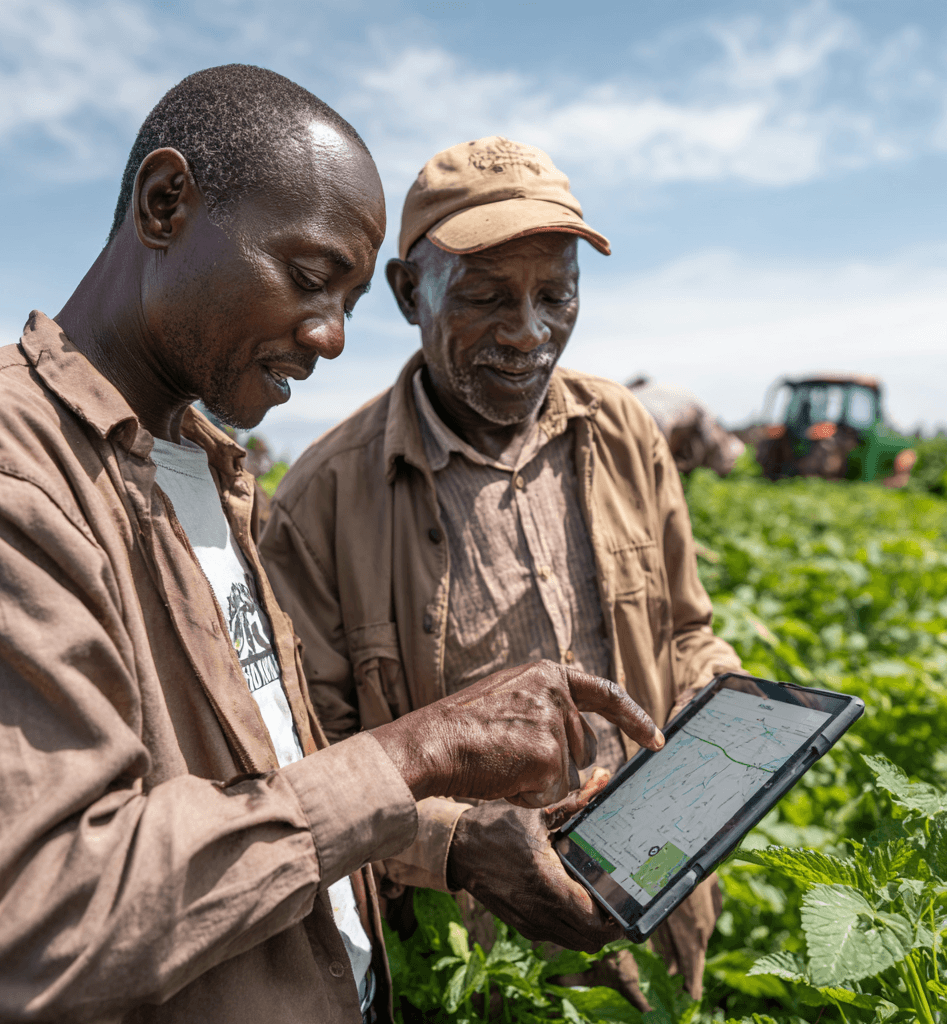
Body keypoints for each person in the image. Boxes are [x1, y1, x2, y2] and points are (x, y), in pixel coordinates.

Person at [0, 73, 666, 1024]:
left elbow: (273, 790)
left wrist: (451, 840)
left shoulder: (205, 469)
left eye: (348, 299)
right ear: (165, 204)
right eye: (311, 279)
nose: (331, 336)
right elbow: (39, 925)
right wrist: (424, 748)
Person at [260, 136, 744, 1006]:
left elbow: (684, 629)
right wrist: (456, 841)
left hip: (657, 913)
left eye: (556, 295)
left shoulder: (625, 432)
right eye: (485, 297)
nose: (528, 332)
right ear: (409, 292)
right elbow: (314, 768)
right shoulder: (322, 500)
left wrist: (723, 711)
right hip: (473, 967)